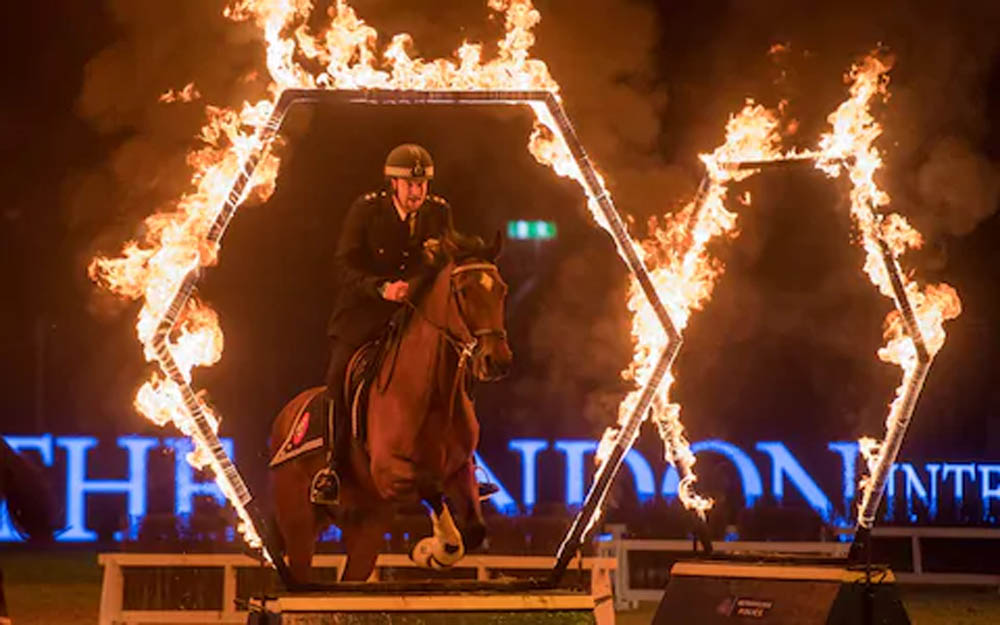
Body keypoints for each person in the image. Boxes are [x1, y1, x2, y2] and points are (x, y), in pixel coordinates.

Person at [311, 144, 452, 505]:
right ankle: (332, 467)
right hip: (364, 313)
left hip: (414, 316)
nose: (417, 192)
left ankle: (461, 463)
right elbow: (344, 266)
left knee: (456, 369)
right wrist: (381, 288)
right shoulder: (367, 210)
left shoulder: (438, 213)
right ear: (393, 183)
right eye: (409, 184)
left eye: (422, 185)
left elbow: (442, 263)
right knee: (338, 379)